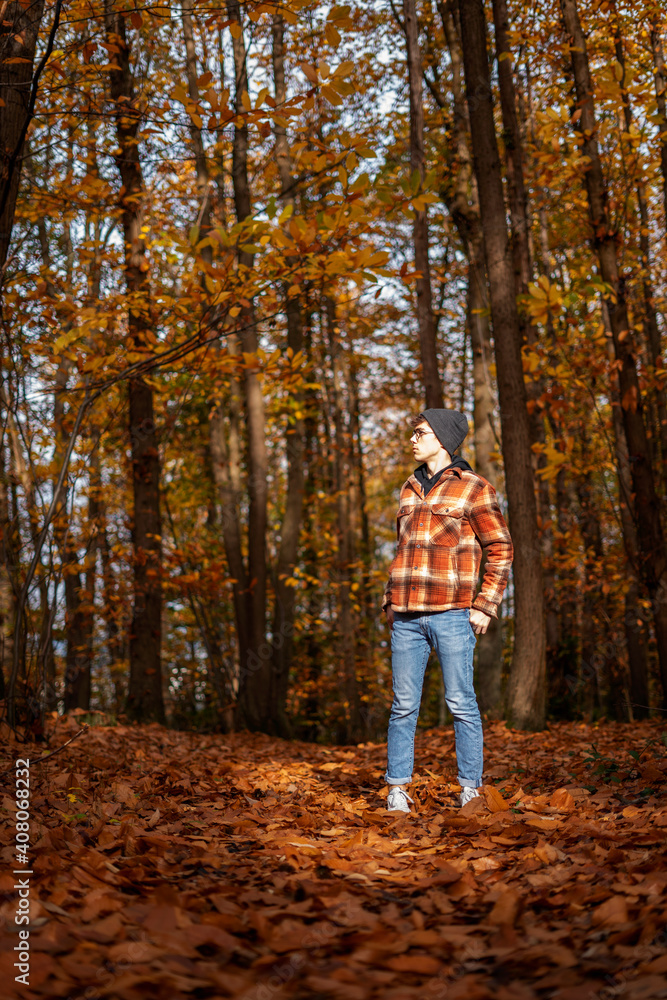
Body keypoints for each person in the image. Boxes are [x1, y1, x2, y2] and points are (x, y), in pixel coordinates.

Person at [382, 408, 513, 812]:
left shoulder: (474, 488)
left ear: (442, 437)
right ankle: (397, 788)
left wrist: (485, 606)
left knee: (461, 703)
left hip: (452, 614)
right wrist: (389, 600)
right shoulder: (407, 488)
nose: (413, 439)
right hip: (405, 616)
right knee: (403, 706)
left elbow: (501, 548)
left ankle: (470, 787)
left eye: (419, 432)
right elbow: (402, 550)